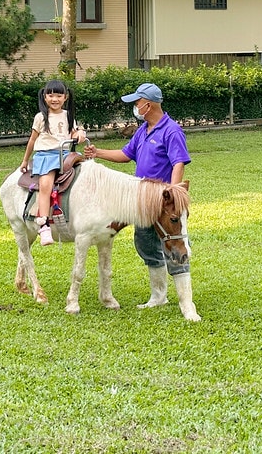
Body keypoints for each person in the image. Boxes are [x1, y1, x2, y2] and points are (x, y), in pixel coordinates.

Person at [83, 82, 193, 310]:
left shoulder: (171, 130)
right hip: (142, 201)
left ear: (148, 104)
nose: (135, 106)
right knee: (145, 243)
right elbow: (126, 154)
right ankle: (158, 296)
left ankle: (186, 302)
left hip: (163, 202)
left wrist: (171, 195)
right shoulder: (144, 130)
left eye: (137, 102)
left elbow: (178, 163)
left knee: (174, 244)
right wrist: (98, 153)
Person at [21, 80, 86, 246]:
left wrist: (79, 133)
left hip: (66, 153)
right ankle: (43, 225)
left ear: (65, 97)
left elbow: (73, 132)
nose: (54, 99)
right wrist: (25, 160)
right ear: (45, 96)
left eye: (58, 95)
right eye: (51, 95)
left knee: (87, 171)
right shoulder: (41, 117)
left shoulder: (68, 115)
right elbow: (32, 140)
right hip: (47, 155)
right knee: (45, 185)